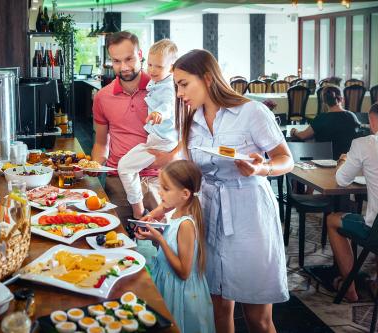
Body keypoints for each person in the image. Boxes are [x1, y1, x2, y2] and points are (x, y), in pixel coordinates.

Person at [144, 49, 294, 333]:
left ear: (208, 78)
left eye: (184, 84)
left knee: (257, 317)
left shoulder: (251, 112)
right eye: (176, 85)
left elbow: (286, 160)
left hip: (250, 214)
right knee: (217, 306)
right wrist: (158, 211)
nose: (178, 92)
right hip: (209, 213)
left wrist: (261, 169)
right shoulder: (191, 121)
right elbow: (187, 180)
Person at [91, 31, 178, 224]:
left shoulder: (164, 89)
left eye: (129, 59)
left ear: (140, 55)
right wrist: (94, 166)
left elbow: (189, 132)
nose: (124, 67)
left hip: (161, 180)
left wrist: (171, 156)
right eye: (116, 61)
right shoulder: (102, 97)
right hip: (118, 182)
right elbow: (100, 143)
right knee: (116, 245)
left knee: (169, 245)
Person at [135, 160, 215, 333]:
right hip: (168, 284)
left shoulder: (186, 224)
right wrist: (153, 236)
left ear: (184, 194)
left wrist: (160, 240)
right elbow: (174, 248)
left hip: (181, 293)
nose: (159, 191)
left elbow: (184, 272)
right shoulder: (176, 212)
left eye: (166, 188)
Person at [326, 102, 378, 302]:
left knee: (333, 220)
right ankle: (377, 286)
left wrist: (342, 161)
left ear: (371, 120)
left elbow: (341, 181)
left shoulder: (364, 143)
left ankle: (349, 288)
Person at [118, 39, 178, 220]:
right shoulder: (156, 81)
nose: (151, 70)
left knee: (125, 167)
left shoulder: (169, 87)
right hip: (155, 139)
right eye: (150, 64)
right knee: (126, 167)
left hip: (163, 143)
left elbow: (169, 104)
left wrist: (160, 113)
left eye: (158, 67)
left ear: (172, 67)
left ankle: (139, 211)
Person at [290, 85, 361, 159]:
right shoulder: (352, 116)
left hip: (324, 161)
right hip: (347, 161)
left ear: (324, 101)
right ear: (342, 99)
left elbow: (303, 135)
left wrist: (295, 131)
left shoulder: (321, 118)